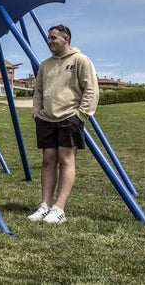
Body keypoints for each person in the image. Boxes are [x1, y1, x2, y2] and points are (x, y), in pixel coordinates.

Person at [29, 24, 99, 224]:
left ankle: (59, 209)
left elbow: (91, 90)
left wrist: (81, 114)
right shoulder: (45, 65)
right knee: (47, 160)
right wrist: (37, 113)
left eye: (53, 38)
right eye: (49, 38)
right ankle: (45, 205)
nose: (49, 41)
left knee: (66, 160)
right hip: (46, 119)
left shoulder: (80, 60)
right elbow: (38, 92)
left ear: (65, 38)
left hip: (70, 117)